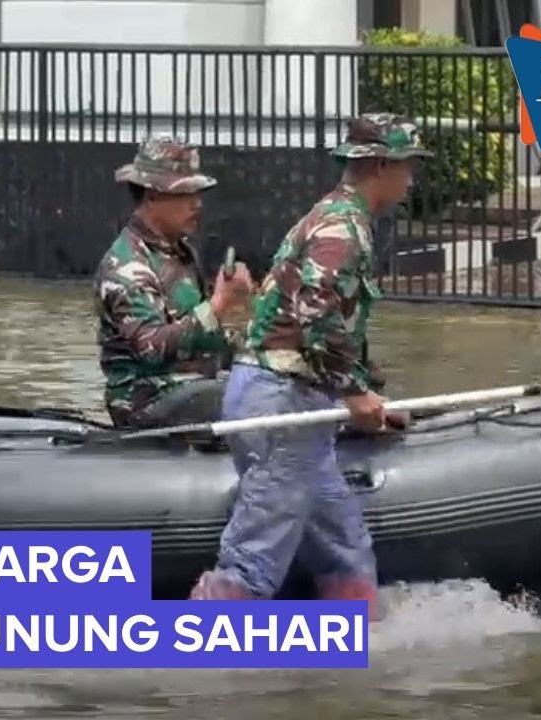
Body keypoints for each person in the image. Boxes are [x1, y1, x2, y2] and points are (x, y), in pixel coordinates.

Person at [188, 112, 432, 619]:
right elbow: (316, 314)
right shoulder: (341, 229)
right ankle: (201, 669)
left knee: (344, 545)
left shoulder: (339, 219)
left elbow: (326, 324)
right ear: (381, 165)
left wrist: (362, 392)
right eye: (406, 167)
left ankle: (353, 653)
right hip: (282, 401)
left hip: (297, 397)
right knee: (254, 559)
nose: (411, 180)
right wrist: (352, 394)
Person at [95, 135, 254, 430]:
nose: (197, 204)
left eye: (197, 193)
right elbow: (153, 349)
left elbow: (205, 342)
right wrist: (219, 304)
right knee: (250, 397)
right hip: (146, 401)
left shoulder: (180, 253)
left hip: (193, 388)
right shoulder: (128, 265)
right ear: (151, 195)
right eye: (185, 194)